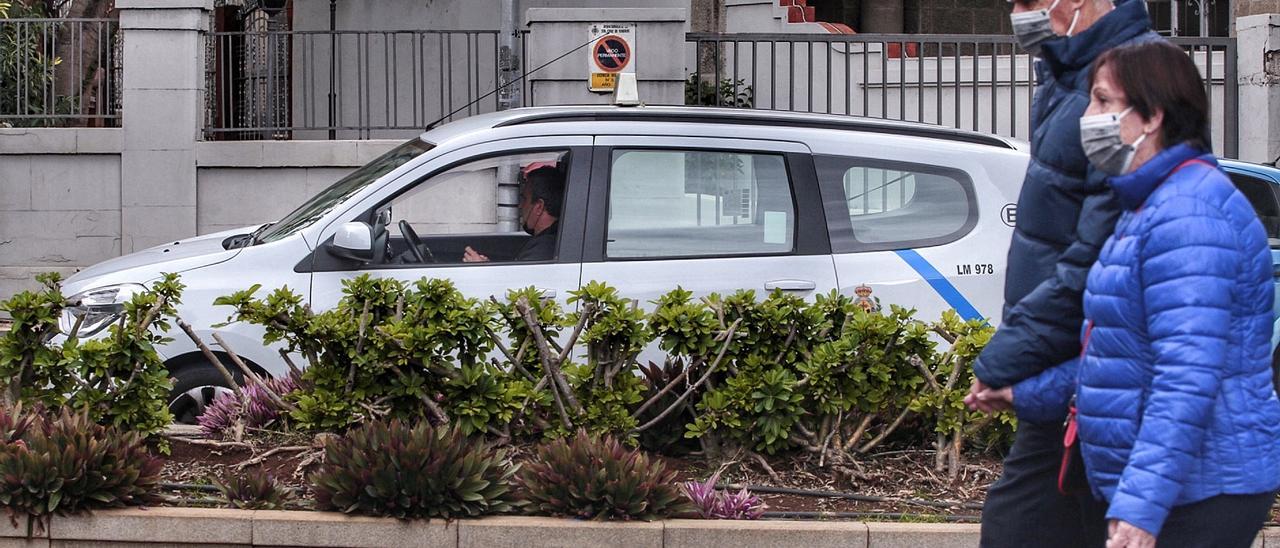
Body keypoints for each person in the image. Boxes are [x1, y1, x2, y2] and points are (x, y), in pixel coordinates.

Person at [975, 40, 1280, 548]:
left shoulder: (1190, 216)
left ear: (1152, 116)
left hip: (1200, 492)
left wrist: (1140, 508)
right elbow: (1119, 357)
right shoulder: (1151, 205)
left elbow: (1184, 377)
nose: (1087, 115)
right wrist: (1024, 393)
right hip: (1176, 486)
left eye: (1101, 100)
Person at [966, 1, 1160, 546]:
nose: (1018, 13)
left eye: (1031, 2)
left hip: (1089, 365)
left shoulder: (1125, 82)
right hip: (1071, 363)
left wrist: (1009, 357)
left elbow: (1092, 257)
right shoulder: (1067, 73)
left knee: (1020, 523)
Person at [463, 165, 563, 263]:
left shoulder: (543, 248)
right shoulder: (548, 242)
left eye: (524, 199)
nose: (520, 206)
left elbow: (519, 279)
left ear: (539, 207)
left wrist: (483, 271)